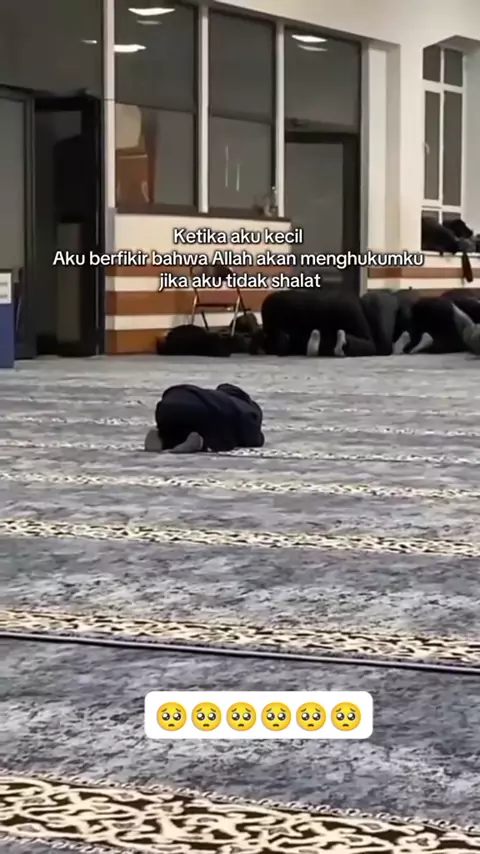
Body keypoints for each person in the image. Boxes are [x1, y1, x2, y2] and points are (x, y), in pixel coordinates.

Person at [144, 383, 265, 454]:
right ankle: (197, 445)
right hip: (198, 410)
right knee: (215, 434)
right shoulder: (245, 408)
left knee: (177, 427)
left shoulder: (216, 395)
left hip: (170, 400)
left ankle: (163, 437)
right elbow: (251, 437)